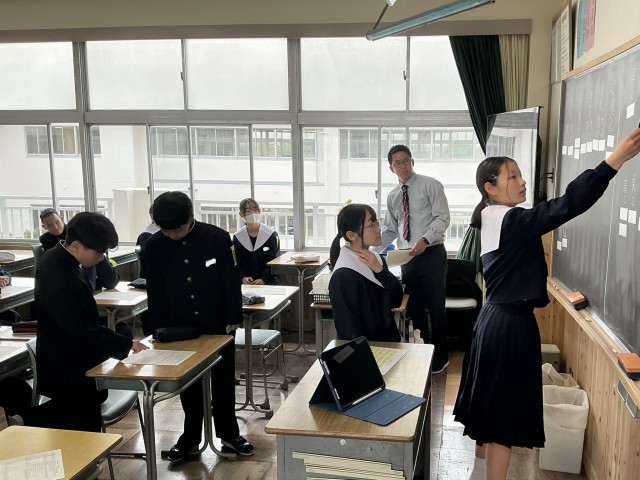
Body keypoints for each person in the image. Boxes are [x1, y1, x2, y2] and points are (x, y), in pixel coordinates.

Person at [453, 127, 640, 480]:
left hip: (495, 321)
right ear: (490, 188)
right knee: (502, 421)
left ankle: (478, 472)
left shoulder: (493, 218)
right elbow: (567, 205)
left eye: (520, 174)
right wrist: (613, 161)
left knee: (490, 409)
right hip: (509, 327)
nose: (522, 181)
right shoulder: (510, 221)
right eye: (512, 176)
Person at [142, 191, 255, 462]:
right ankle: (190, 438)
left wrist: (234, 316)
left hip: (218, 321)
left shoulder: (217, 238)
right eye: (166, 231)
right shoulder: (153, 246)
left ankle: (229, 433)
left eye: (178, 229)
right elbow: (155, 291)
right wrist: (156, 329)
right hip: (178, 324)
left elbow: (230, 279)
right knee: (188, 384)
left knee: (223, 379)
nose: (173, 235)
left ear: (191, 217)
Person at [16, 212, 146, 432]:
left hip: (73, 360)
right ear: (76, 245)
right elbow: (80, 329)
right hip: (68, 367)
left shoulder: (61, 258)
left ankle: (29, 419)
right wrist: (125, 344)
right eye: (99, 252)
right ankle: (27, 419)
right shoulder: (59, 274)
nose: (101, 258)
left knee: (80, 422)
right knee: (82, 430)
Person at [375, 144, 451, 373]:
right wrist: (368, 248)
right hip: (407, 257)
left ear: (412, 162)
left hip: (431, 252)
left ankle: (441, 356)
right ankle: (422, 352)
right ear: (391, 168)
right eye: (397, 163)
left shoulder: (431, 185)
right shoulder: (393, 196)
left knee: (436, 307)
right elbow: (390, 230)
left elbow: (442, 218)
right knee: (414, 306)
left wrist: (425, 239)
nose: (403, 166)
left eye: (406, 161)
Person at [328, 203, 403, 342]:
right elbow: (349, 330)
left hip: (387, 344)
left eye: (377, 222)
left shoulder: (376, 260)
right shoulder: (343, 275)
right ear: (351, 235)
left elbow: (396, 300)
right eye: (372, 224)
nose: (378, 229)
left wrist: (381, 271)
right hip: (368, 349)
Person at [39, 208, 120, 290]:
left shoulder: (81, 232)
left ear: (62, 219)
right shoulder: (49, 245)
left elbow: (110, 281)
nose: (56, 227)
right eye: (50, 225)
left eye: (57, 222)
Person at [233, 198, 281, 285]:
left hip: (269, 280)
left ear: (260, 211)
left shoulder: (271, 235)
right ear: (241, 214)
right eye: (248, 211)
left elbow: (275, 260)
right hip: (246, 283)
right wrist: (243, 277)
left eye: (255, 210)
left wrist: (263, 279)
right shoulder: (237, 237)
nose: (253, 213)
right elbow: (238, 262)